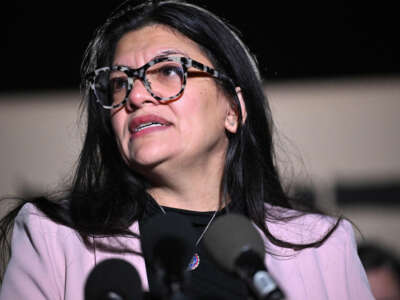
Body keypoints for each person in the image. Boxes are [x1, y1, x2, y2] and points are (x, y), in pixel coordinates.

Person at [0, 1, 374, 299]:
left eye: (166, 71)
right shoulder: (55, 237)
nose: (137, 95)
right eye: (118, 83)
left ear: (233, 109)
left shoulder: (323, 248)